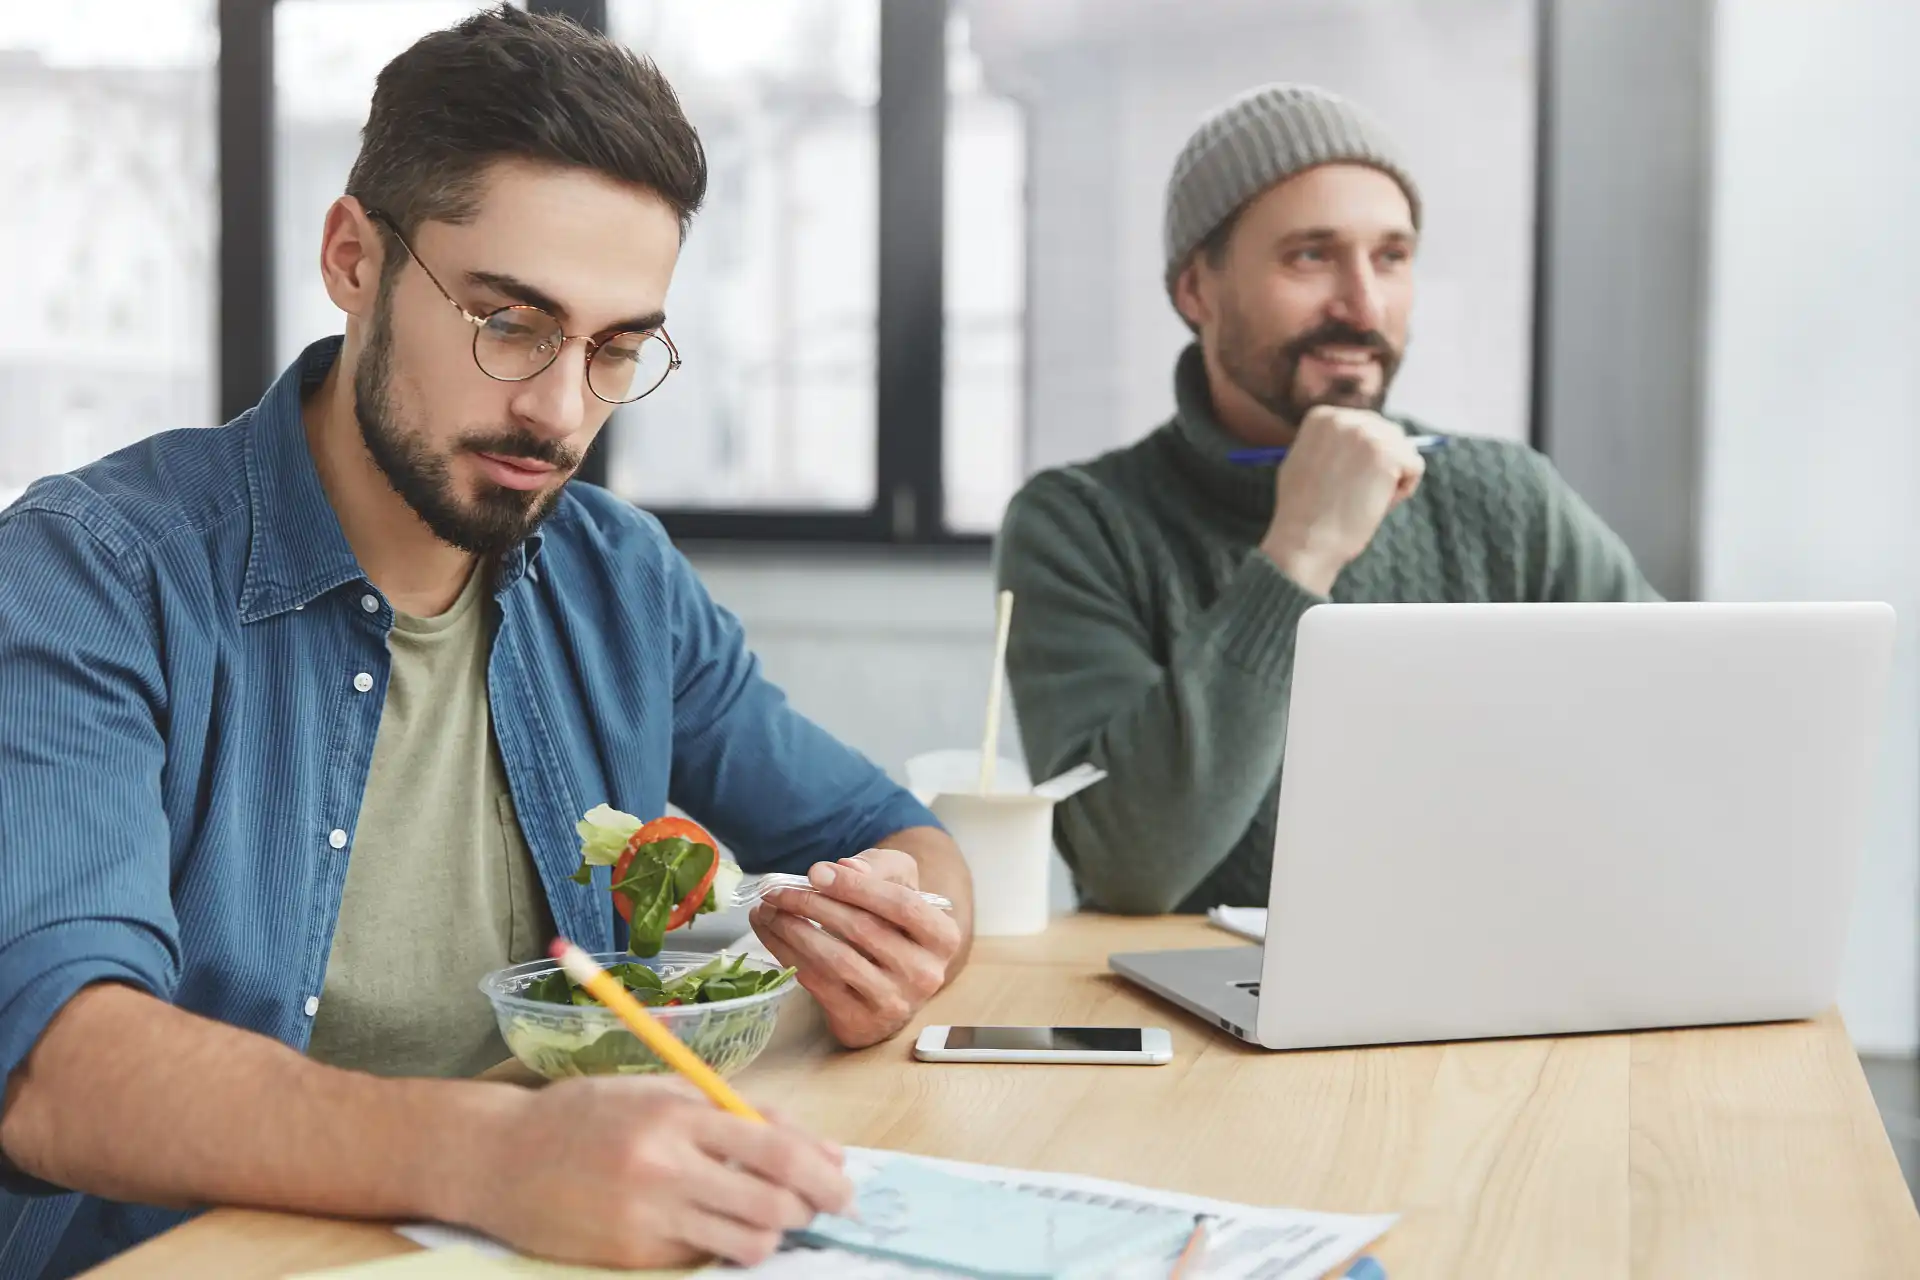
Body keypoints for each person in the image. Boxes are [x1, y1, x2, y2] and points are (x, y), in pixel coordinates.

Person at [0, 9, 973, 1277]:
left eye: (618, 348)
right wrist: (500, 1156)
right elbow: (61, 1072)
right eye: (509, 321)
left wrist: (906, 935)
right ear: (354, 256)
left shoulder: (617, 573)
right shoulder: (90, 573)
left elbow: (903, 831)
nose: (561, 412)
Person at [995, 83, 1657, 918]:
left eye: (1391, 257)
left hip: (1487, 988)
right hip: (1204, 1023)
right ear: (1197, 288)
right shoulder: (1080, 524)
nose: (1364, 305)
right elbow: (1134, 864)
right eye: (1310, 256)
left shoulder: (1509, 498)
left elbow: (1664, 749)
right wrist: (1299, 553)